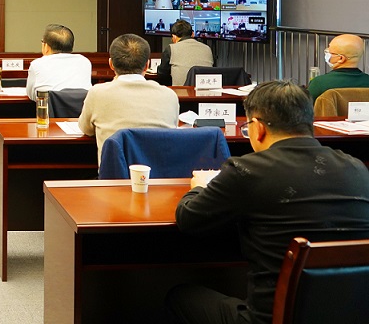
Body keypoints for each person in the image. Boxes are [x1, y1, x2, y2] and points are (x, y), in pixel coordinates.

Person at [166, 81, 369, 324]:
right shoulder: (358, 169)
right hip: (352, 314)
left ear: (259, 128)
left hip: (270, 319)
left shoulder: (247, 170)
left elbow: (188, 219)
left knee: (180, 296)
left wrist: (198, 186)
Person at [78, 33, 179, 163]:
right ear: (147, 65)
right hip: (159, 173)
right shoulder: (169, 95)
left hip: (115, 173)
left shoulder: (97, 93)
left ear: (111, 64)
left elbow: (86, 129)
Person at [25, 24, 92, 100]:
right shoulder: (84, 62)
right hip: (81, 107)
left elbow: (32, 95)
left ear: (46, 46)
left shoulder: (37, 64)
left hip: (49, 108)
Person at [307, 33, 369, 101]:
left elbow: (306, 106)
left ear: (341, 59)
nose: (327, 53)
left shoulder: (319, 83)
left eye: (330, 52)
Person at [156, 19, 214, 86]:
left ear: (174, 37)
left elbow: (162, 74)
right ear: (193, 34)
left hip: (181, 91)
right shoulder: (207, 49)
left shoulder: (171, 49)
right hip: (205, 91)